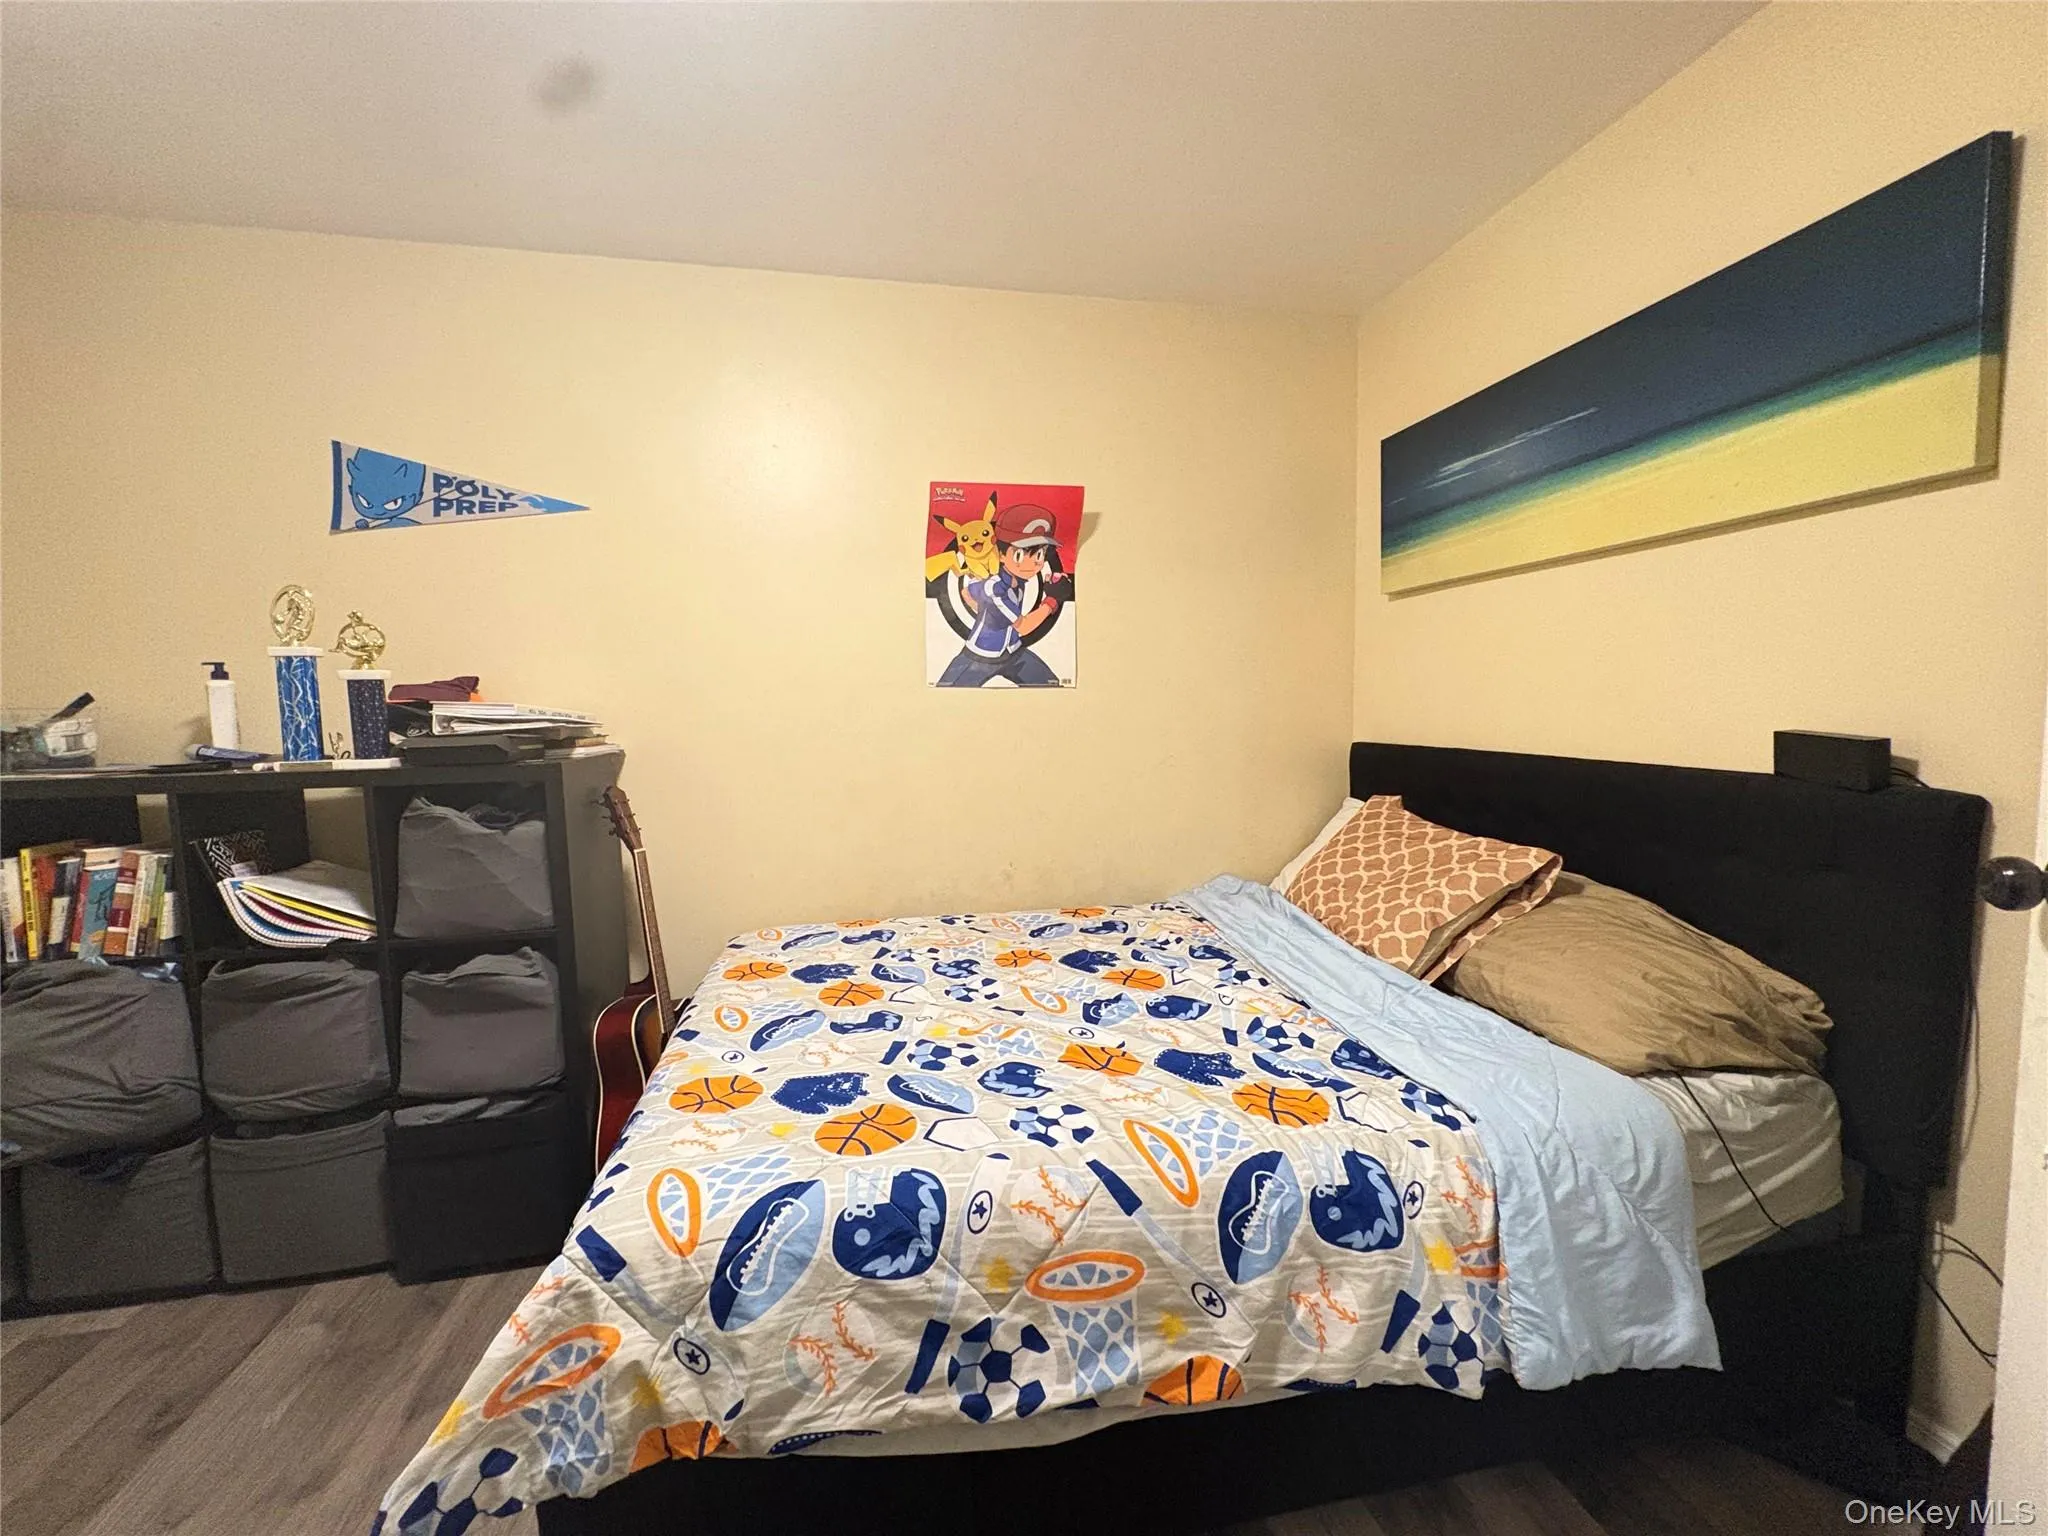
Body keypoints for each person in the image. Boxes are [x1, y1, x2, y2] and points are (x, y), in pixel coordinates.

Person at [936, 502, 1067, 687]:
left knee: (1052, 685)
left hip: (1013, 653)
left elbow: (967, 593)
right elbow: (1024, 627)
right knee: (946, 691)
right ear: (1001, 554)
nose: (1032, 564)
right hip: (980, 657)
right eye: (1020, 555)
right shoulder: (994, 587)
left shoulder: (1018, 579)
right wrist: (1052, 600)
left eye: (1039, 555)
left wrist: (987, 612)